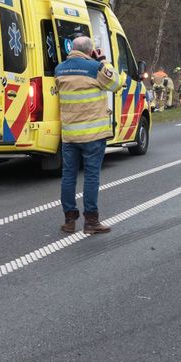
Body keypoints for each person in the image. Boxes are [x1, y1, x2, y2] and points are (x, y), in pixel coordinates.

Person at [55, 36, 122, 235]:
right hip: (92, 134)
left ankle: (69, 220)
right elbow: (115, 83)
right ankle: (91, 221)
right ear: (90, 50)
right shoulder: (95, 68)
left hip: (69, 135)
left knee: (68, 176)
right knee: (91, 176)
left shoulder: (60, 69)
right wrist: (102, 61)